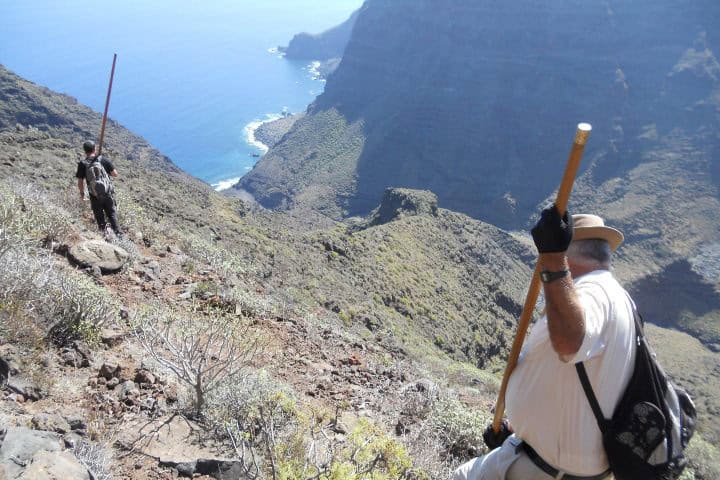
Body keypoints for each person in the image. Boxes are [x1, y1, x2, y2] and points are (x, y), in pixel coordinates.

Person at [453, 206, 636, 480]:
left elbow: (571, 342)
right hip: (552, 460)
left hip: (549, 471)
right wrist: (518, 435)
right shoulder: (619, 298)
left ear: (568, 251)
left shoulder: (593, 292)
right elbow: (574, 392)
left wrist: (552, 261)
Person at [76, 141, 121, 238]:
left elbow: (80, 182)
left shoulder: (82, 164)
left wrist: (82, 194)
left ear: (85, 151)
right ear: (94, 148)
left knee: (100, 219)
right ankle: (119, 236)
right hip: (107, 193)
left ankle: (106, 238)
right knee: (112, 215)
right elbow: (115, 174)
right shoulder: (102, 159)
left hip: (94, 196)